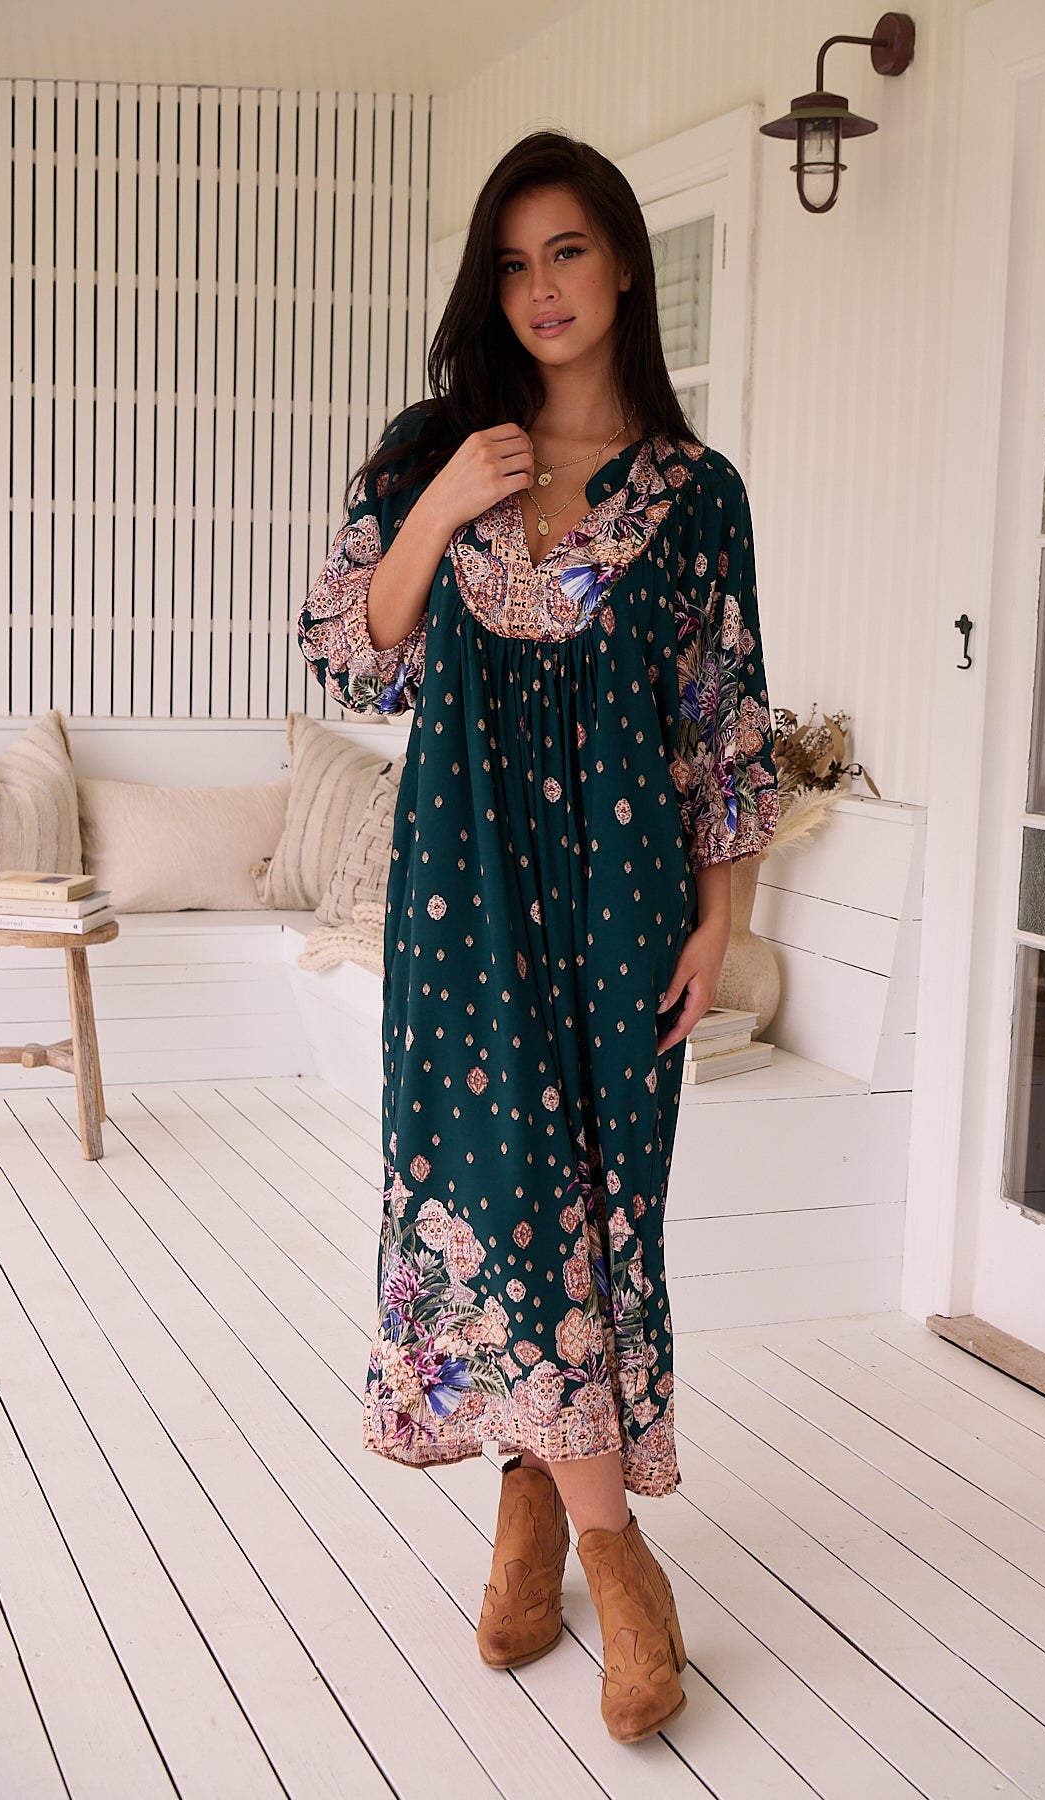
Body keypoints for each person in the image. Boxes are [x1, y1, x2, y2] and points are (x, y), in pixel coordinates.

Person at [296, 129, 780, 1744]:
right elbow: (352, 662)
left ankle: (527, 1511)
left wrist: (726, 925)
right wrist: (441, 505)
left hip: (632, 912)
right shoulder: (435, 451)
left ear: (626, 263)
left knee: (593, 1218)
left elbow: (722, 732)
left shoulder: (699, 497)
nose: (542, 288)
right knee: (503, 1207)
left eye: (567, 251)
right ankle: (619, 1558)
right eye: (512, 262)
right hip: (463, 911)